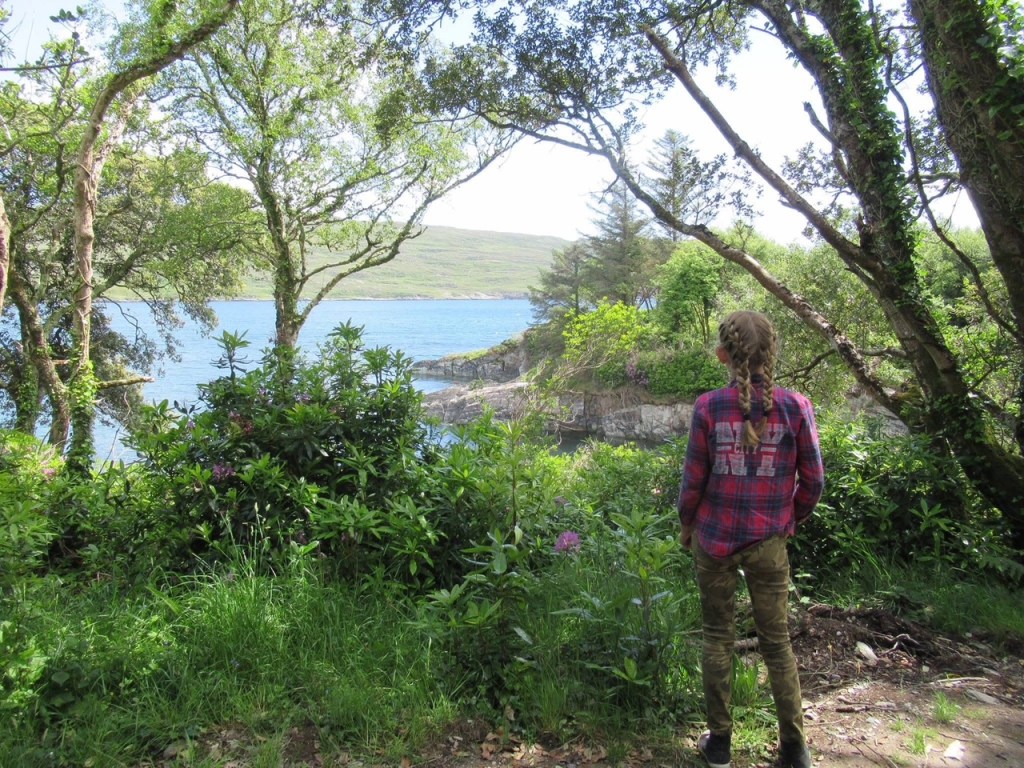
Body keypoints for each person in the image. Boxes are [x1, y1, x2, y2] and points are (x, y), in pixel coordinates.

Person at [678, 311, 825, 768]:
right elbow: (814, 481)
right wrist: (789, 518)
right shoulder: (795, 406)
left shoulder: (708, 407)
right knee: (777, 643)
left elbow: (693, 482)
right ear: (772, 351)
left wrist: (687, 525)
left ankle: (719, 744)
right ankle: (794, 749)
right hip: (769, 540)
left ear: (723, 354)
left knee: (718, 638)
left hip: (715, 539)